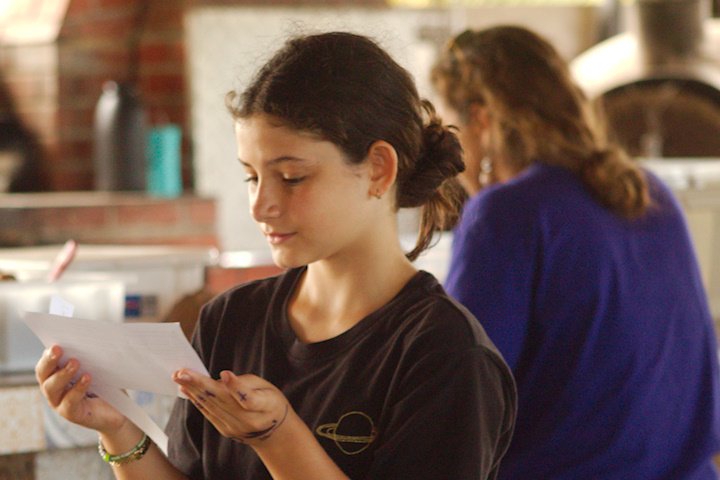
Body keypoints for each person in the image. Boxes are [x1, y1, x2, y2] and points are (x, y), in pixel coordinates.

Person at [35, 31, 517, 479]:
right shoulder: (229, 320)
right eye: (252, 176)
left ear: (378, 169)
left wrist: (278, 437)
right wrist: (118, 427)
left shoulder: (446, 353)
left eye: (291, 177)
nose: (260, 204)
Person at [431, 25, 720, 479]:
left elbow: (464, 394)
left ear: (481, 122)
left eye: (452, 129)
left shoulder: (507, 212)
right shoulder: (648, 189)